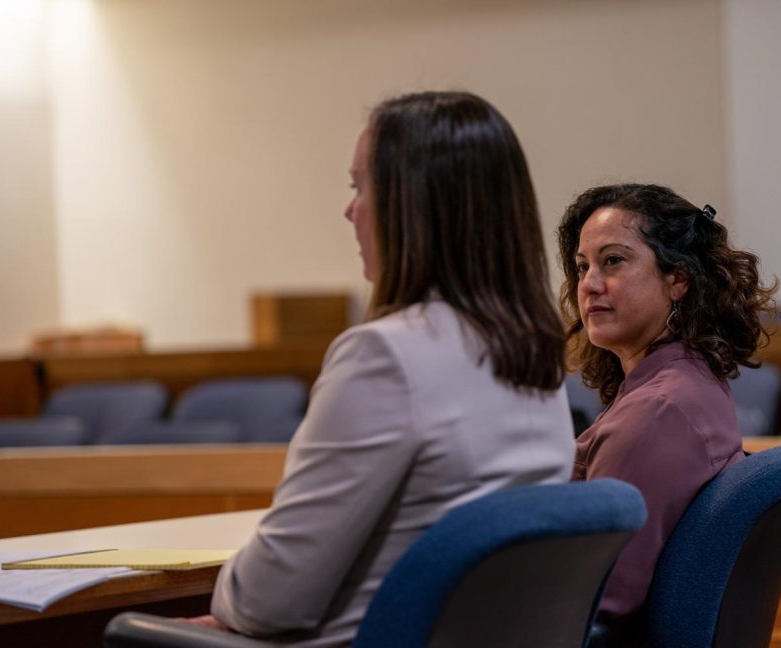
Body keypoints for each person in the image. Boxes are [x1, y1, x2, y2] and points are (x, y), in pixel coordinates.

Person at [186, 92, 576, 646]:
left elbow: (269, 601)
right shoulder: (533, 354)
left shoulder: (385, 355)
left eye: (359, 186)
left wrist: (229, 597)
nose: (350, 210)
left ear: (413, 206)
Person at [557, 183, 777, 645]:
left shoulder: (658, 412)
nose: (589, 284)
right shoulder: (685, 383)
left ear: (677, 279)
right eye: (582, 266)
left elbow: (597, 602)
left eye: (613, 261)